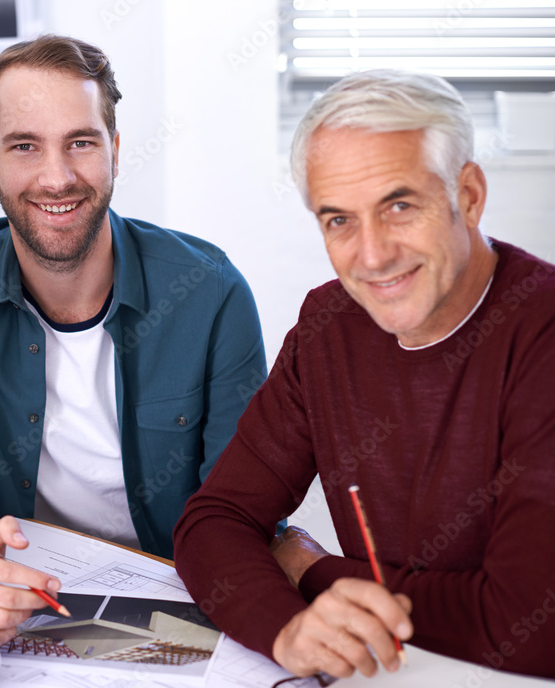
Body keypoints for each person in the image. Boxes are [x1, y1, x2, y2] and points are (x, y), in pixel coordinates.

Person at [174, 68, 555, 680]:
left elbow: (524, 626)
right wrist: (288, 629)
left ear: (469, 195)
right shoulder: (328, 326)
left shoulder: (541, 338)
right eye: (339, 220)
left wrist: (312, 574)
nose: (373, 255)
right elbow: (213, 521)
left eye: (399, 206)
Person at [0, 34, 267, 643]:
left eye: (81, 142)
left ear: (115, 152)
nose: (57, 176)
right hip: (34, 591)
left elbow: (239, 501)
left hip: (182, 591)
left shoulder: (211, 292)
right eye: (24, 146)